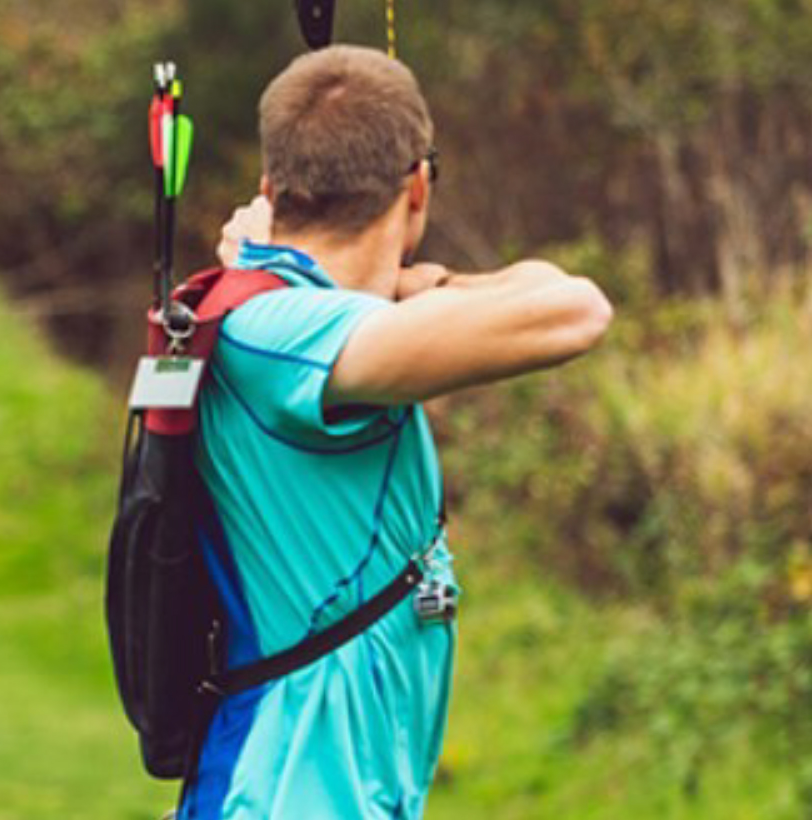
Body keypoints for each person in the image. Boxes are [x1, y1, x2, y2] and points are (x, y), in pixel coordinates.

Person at [179, 46, 613, 819]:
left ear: (272, 189)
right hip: (284, 792)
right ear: (418, 188)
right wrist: (411, 289)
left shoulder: (291, 318)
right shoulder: (285, 333)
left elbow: (546, 293)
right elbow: (576, 310)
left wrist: (415, 283)